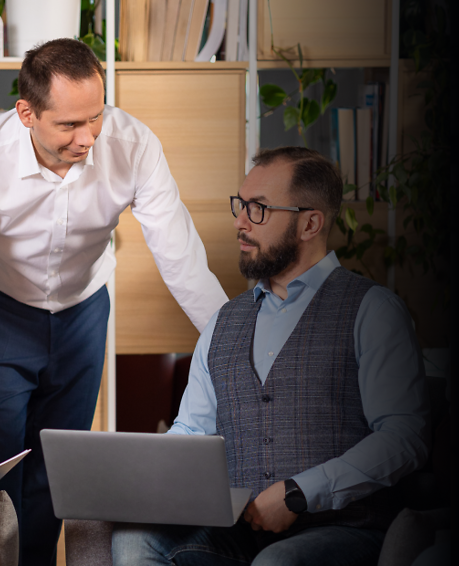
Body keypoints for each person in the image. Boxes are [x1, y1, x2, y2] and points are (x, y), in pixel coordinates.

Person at [0, 38, 230, 565]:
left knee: (57, 464)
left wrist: (234, 350)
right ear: (26, 113)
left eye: (96, 117)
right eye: (69, 125)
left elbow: (181, 256)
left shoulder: (133, 143)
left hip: (84, 310)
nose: (88, 136)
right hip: (1, 311)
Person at [109, 147, 430, 565]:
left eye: (259, 209)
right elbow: (191, 430)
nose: (241, 222)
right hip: (238, 532)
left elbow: (404, 438)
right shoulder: (223, 321)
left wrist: (299, 493)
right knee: (133, 541)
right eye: (241, 205)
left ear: (310, 223)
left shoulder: (373, 310)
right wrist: (137, 478)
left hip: (342, 529)